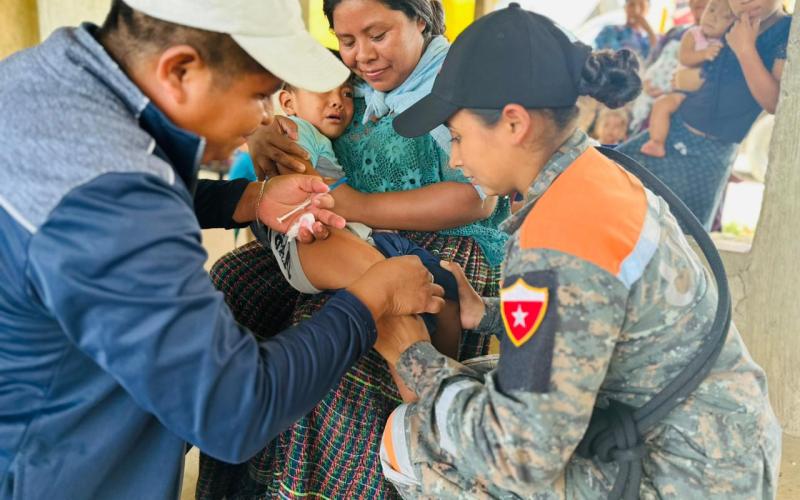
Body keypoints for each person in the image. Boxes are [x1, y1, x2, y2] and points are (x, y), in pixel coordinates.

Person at [0, 0, 446, 497]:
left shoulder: (40, 77)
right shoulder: (116, 202)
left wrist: (247, 199)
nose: (263, 121)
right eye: (258, 96)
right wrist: (371, 300)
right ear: (180, 71)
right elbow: (235, 411)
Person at [379, 4, 781, 498]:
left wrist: (411, 355)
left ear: (514, 123)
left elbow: (520, 457)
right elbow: (590, 316)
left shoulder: (559, 235)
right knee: (477, 382)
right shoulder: (596, 176)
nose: (456, 158)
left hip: (687, 475)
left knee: (413, 435)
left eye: (458, 137)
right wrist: (487, 313)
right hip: (725, 442)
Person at [196, 0, 511, 497]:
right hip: (347, 230)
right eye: (347, 41)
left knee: (328, 333)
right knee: (232, 281)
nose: (362, 55)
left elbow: (476, 198)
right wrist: (267, 135)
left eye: (377, 35)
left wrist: (357, 205)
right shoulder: (350, 86)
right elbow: (298, 121)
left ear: (421, 19)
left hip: (446, 246)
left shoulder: (457, 84)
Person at [272, 77, 464, 361]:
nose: (338, 101)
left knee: (437, 294)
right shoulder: (297, 130)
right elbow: (300, 183)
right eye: (323, 89)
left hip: (359, 236)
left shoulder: (317, 136)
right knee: (437, 297)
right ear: (288, 102)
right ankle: (447, 370)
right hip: (337, 241)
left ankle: (444, 371)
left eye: (347, 94)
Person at [617, 0, 791, 229]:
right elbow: (699, 55)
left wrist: (745, 49)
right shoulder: (731, 20)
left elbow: (774, 102)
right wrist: (684, 78)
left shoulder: (786, 30)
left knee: (685, 230)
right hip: (674, 129)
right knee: (612, 175)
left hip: (711, 152)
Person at [640, 0, 736, 157]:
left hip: (706, 100)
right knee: (662, 105)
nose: (713, 18)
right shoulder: (692, 35)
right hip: (681, 92)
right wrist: (704, 54)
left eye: (724, 17)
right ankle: (657, 142)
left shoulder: (728, 44)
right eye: (711, 10)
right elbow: (684, 58)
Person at [629, 0, 711, 134]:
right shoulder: (674, 33)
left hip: (679, 114)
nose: (698, 2)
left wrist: (671, 94)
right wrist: (645, 83)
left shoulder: (717, 41)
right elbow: (651, 62)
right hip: (646, 105)